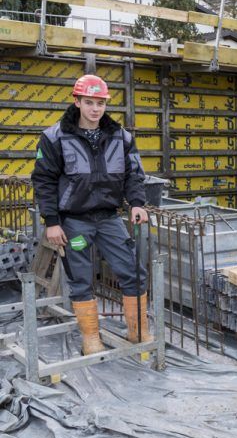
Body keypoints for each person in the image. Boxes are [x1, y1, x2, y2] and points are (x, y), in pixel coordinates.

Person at [31, 74, 152, 355]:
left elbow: (134, 174)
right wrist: (51, 221)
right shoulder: (54, 137)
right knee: (81, 278)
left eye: (100, 103)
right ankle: (91, 338)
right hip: (74, 221)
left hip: (109, 218)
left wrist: (136, 203)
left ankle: (138, 331)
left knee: (133, 272)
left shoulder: (121, 137)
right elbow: (44, 181)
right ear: (77, 101)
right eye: (89, 102)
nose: (95, 109)